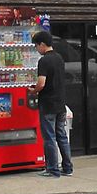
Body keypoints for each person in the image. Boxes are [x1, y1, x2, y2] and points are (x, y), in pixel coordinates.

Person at [31, 31, 73, 178]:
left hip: (48, 104)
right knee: (61, 136)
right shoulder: (59, 58)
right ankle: (67, 168)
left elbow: (41, 83)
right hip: (60, 103)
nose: (37, 49)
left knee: (49, 137)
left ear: (42, 44)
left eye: (36, 46)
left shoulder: (44, 61)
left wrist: (33, 90)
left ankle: (52, 169)